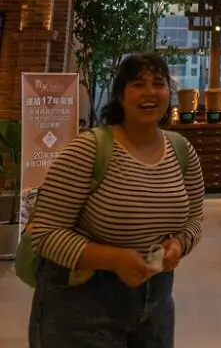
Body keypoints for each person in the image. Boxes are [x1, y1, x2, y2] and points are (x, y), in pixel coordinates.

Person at [28, 52, 204, 348]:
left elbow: (195, 220)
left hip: (156, 303)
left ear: (168, 94)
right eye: (138, 84)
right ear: (121, 96)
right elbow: (45, 235)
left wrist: (179, 244)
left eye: (158, 83)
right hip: (83, 304)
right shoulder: (90, 149)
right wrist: (114, 259)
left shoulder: (181, 151)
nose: (150, 92)